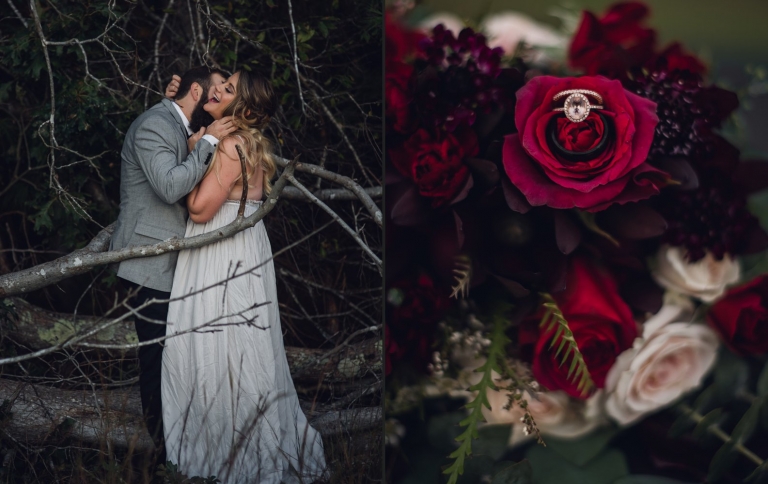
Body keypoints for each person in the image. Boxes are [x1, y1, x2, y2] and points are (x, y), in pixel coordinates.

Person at [160, 70, 327, 483]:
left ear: (245, 110)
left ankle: (222, 458)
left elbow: (199, 210)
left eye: (228, 88)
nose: (217, 89)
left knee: (214, 347)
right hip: (237, 249)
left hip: (221, 252)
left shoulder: (231, 145)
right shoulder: (243, 143)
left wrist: (198, 148)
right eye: (222, 82)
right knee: (234, 346)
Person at [110, 66, 235, 469]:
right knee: (156, 365)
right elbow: (168, 187)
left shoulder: (181, 128)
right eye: (215, 91)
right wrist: (208, 144)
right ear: (196, 90)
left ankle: (187, 452)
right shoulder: (154, 125)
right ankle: (169, 460)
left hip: (173, 263)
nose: (217, 99)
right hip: (147, 266)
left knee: (175, 361)